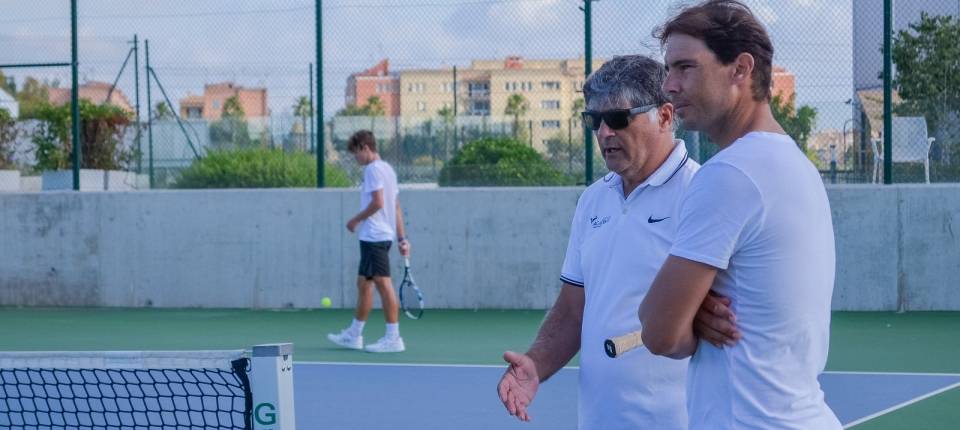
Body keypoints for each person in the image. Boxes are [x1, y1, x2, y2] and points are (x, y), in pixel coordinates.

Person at [497, 55, 732, 429]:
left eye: (619, 119)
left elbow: (731, 313)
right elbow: (574, 309)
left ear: (666, 117)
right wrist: (536, 365)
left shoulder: (702, 193)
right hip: (597, 419)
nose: (604, 132)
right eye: (594, 120)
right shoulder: (593, 199)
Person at [638, 1, 842, 428]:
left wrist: (685, 314)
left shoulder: (729, 174)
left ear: (740, 69)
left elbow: (658, 331)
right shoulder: (797, 166)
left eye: (685, 68)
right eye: (668, 70)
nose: (669, 86)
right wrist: (694, 313)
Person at [327, 130, 411, 353]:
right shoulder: (387, 170)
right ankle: (354, 335)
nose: (356, 159)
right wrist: (402, 238)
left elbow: (379, 203)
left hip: (375, 236)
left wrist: (355, 220)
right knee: (364, 284)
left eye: (356, 153)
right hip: (379, 236)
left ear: (365, 147)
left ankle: (394, 337)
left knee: (383, 284)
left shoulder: (373, 169)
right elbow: (396, 206)